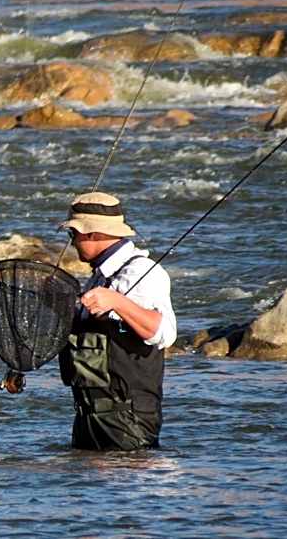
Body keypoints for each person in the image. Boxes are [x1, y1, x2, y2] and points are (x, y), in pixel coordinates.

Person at [57, 191, 177, 451]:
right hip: (88, 417)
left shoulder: (144, 272)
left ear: (92, 234)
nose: (72, 242)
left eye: (73, 235)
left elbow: (163, 332)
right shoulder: (99, 276)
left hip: (128, 421)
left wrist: (117, 302)